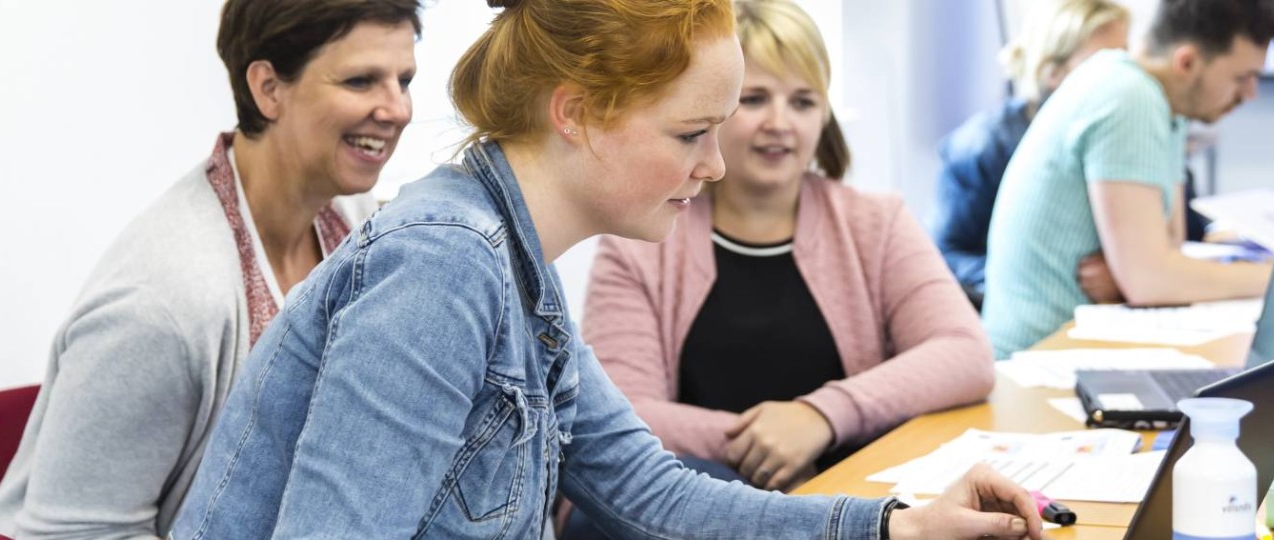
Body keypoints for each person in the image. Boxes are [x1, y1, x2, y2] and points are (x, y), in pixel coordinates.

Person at [164, 0, 1043, 538]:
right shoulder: (442, 267)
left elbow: (647, 493)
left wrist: (900, 525)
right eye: (691, 133)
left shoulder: (513, 258)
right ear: (578, 114)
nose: (716, 167)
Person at [0, 1, 417, 537]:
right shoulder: (162, 304)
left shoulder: (349, 221)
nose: (398, 109)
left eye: (405, 80)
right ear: (268, 88)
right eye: (361, 81)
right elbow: (72, 534)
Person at [582, 0, 993, 494]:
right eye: (754, 100)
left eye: (803, 101)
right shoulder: (637, 241)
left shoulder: (876, 221)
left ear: (824, 116)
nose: (781, 122)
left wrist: (818, 418)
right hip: (687, 496)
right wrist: (772, 448)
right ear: (709, 115)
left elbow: (965, 352)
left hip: (844, 490)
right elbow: (623, 416)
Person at [980, 0, 1274, 357]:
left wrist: (1141, 272)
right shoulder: (1129, 97)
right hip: (1038, 362)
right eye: (1243, 77)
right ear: (1187, 62)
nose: (1250, 94)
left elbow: (1168, 249)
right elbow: (1152, 282)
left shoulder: (1162, 102)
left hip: (1079, 345)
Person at [931, 0, 1135, 304]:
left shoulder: (1121, 130)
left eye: (1125, 60)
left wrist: (1123, 269)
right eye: (1102, 65)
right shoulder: (984, 145)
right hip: (1019, 314)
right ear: (1052, 72)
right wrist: (1045, 280)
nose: (1122, 78)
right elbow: (945, 255)